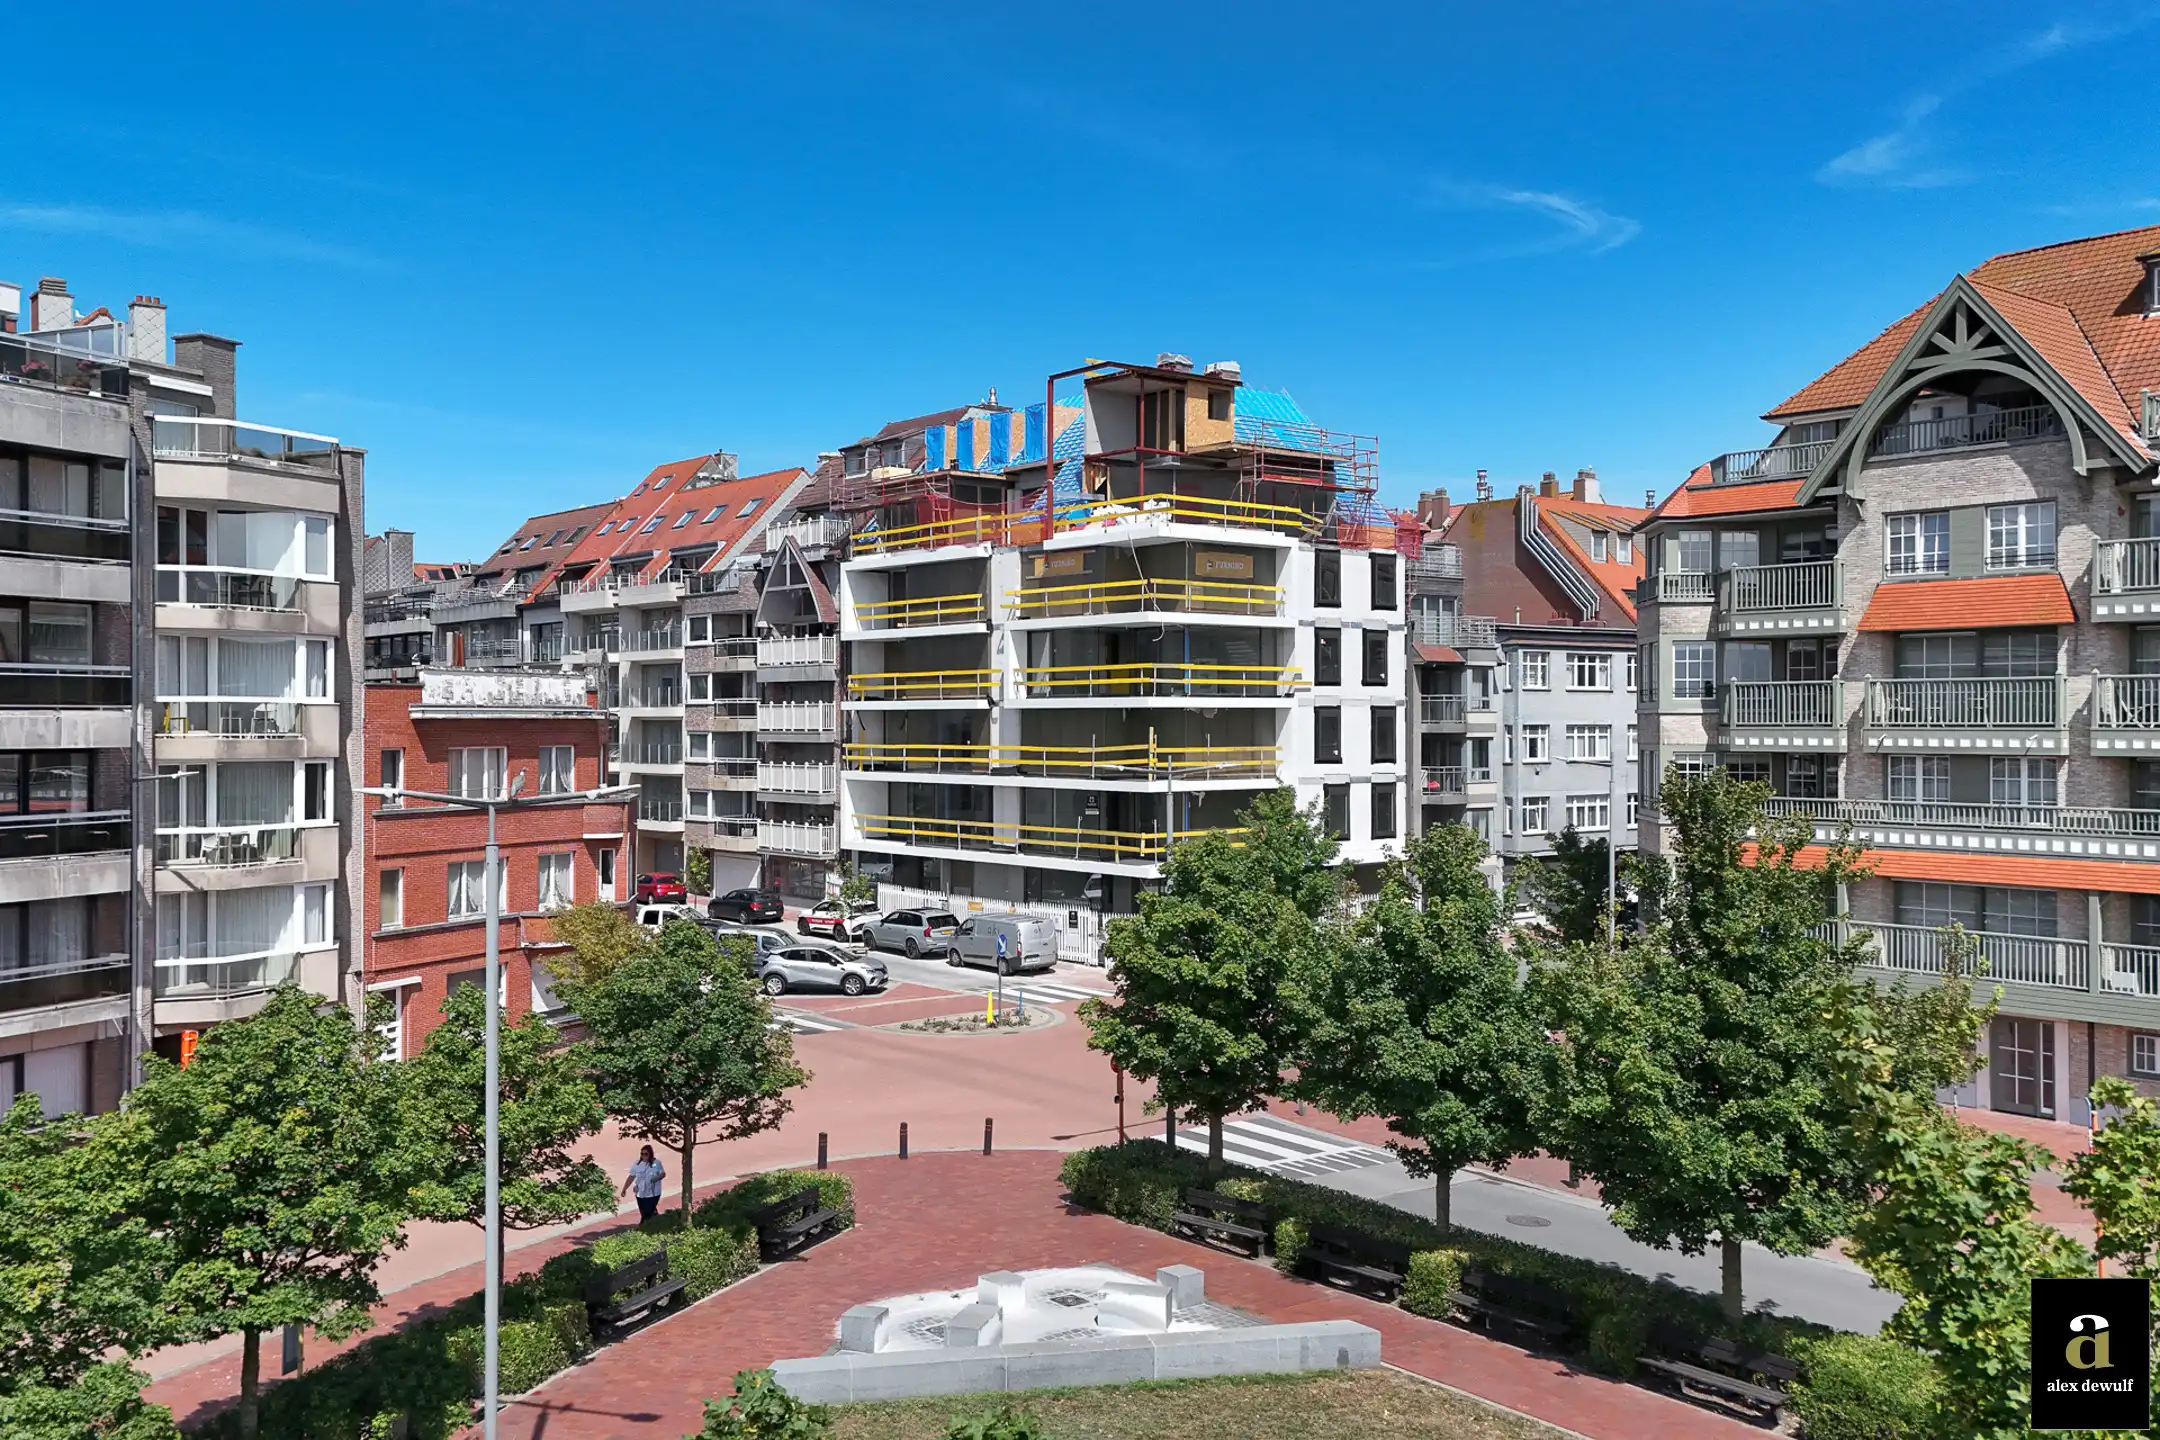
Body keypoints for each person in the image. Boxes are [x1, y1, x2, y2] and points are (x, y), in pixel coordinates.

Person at [621, 1145, 665, 1224]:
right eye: (642, 1154)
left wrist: (656, 1178)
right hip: (640, 1193)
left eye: (646, 1154)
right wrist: (624, 1189)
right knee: (644, 1213)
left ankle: (644, 1226)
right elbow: (631, 1177)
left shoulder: (656, 1163)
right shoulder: (637, 1164)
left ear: (650, 1154)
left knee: (647, 1214)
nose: (643, 1156)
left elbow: (663, 1174)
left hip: (653, 1194)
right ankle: (653, 1220)